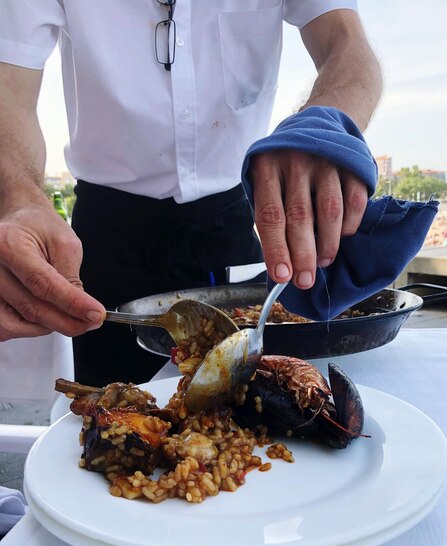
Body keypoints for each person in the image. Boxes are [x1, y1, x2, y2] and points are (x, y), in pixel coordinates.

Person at [0, 1, 382, 386]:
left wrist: (321, 126)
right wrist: (18, 197)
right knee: (110, 413)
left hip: (230, 224)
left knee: (253, 403)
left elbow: (346, 43)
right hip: (105, 241)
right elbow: (9, 90)